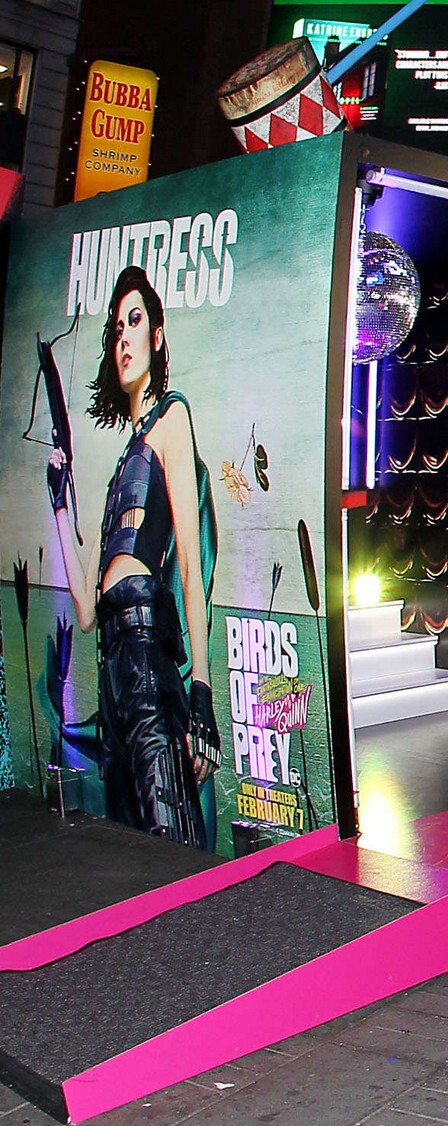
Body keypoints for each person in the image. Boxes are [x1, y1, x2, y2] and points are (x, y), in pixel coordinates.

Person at [47, 266, 218, 849]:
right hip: (112, 675)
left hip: (147, 660)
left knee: (171, 844)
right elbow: (86, 611)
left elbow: (190, 568)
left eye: (135, 321)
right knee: (131, 856)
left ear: (157, 336)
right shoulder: (123, 461)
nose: (123, 337)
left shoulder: (172, 418)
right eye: (116, 328)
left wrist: (200, 694)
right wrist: (61, 508)